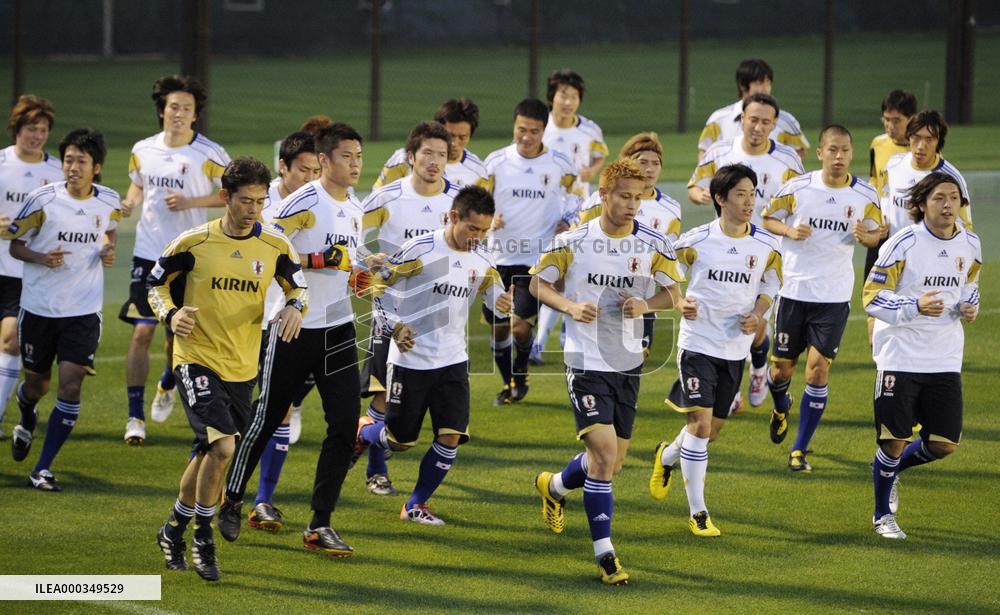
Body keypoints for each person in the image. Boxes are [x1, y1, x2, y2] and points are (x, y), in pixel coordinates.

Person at [217, 124, 376, 557]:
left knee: (344, 426)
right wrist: (318, 259)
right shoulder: (304, 202)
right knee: (266, 418)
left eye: (359, 156)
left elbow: (346, 265)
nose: (355, 164)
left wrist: (362, 274)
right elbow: (262, 248)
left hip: (338, 327)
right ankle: (232, 500)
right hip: (291, 325)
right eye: (346, 156)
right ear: (324, 160)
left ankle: (319, 524)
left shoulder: (356, 207)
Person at [150, 157, 307, 581]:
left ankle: (173, 528)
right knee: (222, 448)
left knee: (208, 451)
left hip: (242, 366)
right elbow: (156, 284)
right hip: (195, 358)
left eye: (260, 201)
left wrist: (295, 307)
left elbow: (298, 288)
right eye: (245, 201)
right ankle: (203, 537)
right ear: (225, 197)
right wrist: (171, 315)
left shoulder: (275, 245)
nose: (253, 209)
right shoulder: (193, 242)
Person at [531, 159, 682, 586]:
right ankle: (606, 555)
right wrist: (570, 307)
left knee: (611, 464)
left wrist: (647, 305)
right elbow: (537, 284)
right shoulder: (573, 241)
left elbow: (674, 293)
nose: (632, 204)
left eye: (638, 197)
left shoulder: (654, 244)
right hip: (585, 360)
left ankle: (554, 487)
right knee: (602, 455)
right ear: (603, 194)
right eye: (624, 196)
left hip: (627, 363)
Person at [354, 185, 512, 526]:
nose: (478, 237)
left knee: (451, 436)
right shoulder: (420, 249)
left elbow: (494, 297)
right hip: (410, 360)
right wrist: (395, 327)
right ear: (453, 217)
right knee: (399, 442)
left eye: (484, 231)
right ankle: (363, 432)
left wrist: (503, 304)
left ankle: (415, 504)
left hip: (453, 359)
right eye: (472, 228)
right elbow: (378, 288)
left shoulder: (483, 259)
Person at [650, 164, 781, 537]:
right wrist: (680, 302)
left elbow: (770, 285)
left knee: (710, 432)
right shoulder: (696, 240)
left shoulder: (767, 245)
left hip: (734, 349)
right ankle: (699, 513)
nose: (749, 202)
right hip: (697, 344)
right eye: (741, 194)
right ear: (720, 199)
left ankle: (666, 456)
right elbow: (663, 272)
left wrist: (758, 314)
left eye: (752, 194)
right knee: (700, 424)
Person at [760, 125, 886, 471]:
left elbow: (879, 232)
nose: (839, 156)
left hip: (834, 296)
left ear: (852, 153)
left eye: (845, 150)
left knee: (817, 371)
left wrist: (866, 237)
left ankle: (799, 449)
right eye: (832, 149)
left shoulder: (865, 194)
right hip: (793, 292)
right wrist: (789, 230)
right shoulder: (798, 187)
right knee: (781, 369)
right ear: (820, 153)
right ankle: (780, 405)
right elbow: (768, 218)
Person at [863, 172, 980, 539]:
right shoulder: (903, 243)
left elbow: (970, 284)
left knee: (944, 444)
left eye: (954, 198)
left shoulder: (970, 243)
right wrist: (914, 306)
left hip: (944, 357)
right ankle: (882, 515)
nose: (948, 205)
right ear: (922, 204)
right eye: (939, 198)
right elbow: (871, 297)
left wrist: (970, 306)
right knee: (893, 440)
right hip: (900, 355)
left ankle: (890, 470)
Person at [4, 128, 120, 490]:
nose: (72, 167)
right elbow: (15, 246)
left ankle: (42, 468)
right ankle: (26, 413)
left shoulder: (109, 200)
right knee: (37, 385)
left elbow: (110, 229)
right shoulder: (42, 200)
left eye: (81, 161)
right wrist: (42, 258)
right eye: (68, 160)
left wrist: (107, 248)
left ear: (96, 167)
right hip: (38, 308)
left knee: (71, 385)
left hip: (83, 310)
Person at [120, 75, 231, 445]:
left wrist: (190, 202)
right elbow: (138, 183)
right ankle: (134, 417)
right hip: (148, 252)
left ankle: (167, 381)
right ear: (162, 111)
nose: (179, 113)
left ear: (196, 115)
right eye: (173, 107)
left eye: (187, 108)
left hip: (189, 257)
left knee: (176, 337)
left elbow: (231, 193)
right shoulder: (143, 149)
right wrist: (129, 203)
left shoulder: (210, 154)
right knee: (142, 331)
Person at [359, 121, 461, 497]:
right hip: (392, 311)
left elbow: (479, 245)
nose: (435, 161)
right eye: (427, 153)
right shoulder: (386, 197)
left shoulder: (459, 201)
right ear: (410, 156)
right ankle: (376, 471)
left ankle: (366, 438)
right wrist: (369, 258)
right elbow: (353, 238)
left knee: (417, 424)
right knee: (383, 395)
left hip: (439, 317)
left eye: (441, 155)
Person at [688, 93, 802, 411]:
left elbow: (798, 202)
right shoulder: (720, 152)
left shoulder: (788, 160)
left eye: (766, 122)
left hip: (767, 252)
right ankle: (733, 388)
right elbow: (695, 185)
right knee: (730, 321)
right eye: (753, 119)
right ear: (742, 119)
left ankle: (758, 367)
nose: (758, 127)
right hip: (725, 248)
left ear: (774, 124)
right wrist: (704, 196)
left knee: (756, 322)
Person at [480, 99, 580, 405]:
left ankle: (520, 373)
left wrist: (568, 220)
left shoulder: (560, 164)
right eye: (521, 130)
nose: (526, 137)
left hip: (536, 260)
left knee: (520, 327)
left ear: (544, 130)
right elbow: (478, 202)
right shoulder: (495, 163)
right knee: (499, 331)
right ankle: (509, 382)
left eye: (534, 131)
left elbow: (576, 199)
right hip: (497, 259)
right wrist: (489, 220)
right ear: (514, 126)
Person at [246, 131, 322, 531]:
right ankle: (216, 491)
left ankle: (263, 500)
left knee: (281, 407)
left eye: (315, 170)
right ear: (283, 167)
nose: (310, 178)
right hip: (245, 320)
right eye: (303, 170)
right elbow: (263, 251)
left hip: (285, 318)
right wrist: (318, 259)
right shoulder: (261, 202)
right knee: (236, 411)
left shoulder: (321, 203)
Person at [556, 132, 681, 364]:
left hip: (640, 297)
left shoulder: (671, 209)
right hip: (596, 292)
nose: (650, 169)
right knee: (592, 361)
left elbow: (667, 257)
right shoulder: (600, 201)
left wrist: (659, 298)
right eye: (643, 162)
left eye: (656, 163)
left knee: (634, 359)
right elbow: (578, 241)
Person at [533, 70, 609, 359]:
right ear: (552, 96)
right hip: (542, 208)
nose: (568, 102)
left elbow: (600, 154)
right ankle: (542, 335)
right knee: (543, 271)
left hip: (577, 210)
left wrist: (592, 170)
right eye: (563, 95)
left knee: (564, 272)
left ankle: (543, 341)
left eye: (574, 97)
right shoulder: (540, 127)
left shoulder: (589, 129)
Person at [0, 95, 62, 439]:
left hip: (23, 272)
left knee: (10, 340)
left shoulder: (56, 172)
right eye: (30, 129)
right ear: (17, 129)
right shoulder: (1, 163)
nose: (37, 136)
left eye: (42, 129)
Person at [698, 58, 809, 160]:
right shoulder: (719, 119)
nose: (765, 89)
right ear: (742, 85)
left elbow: (799, 150)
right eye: (759, 83)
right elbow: (704, 152)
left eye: (768, 83)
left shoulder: (785, 120)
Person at [373, 98, 487, 189]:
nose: (454, 143)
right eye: (450, 135)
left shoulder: (478, 171)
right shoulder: (403, 159)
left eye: (462, 137)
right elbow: (379, 199)